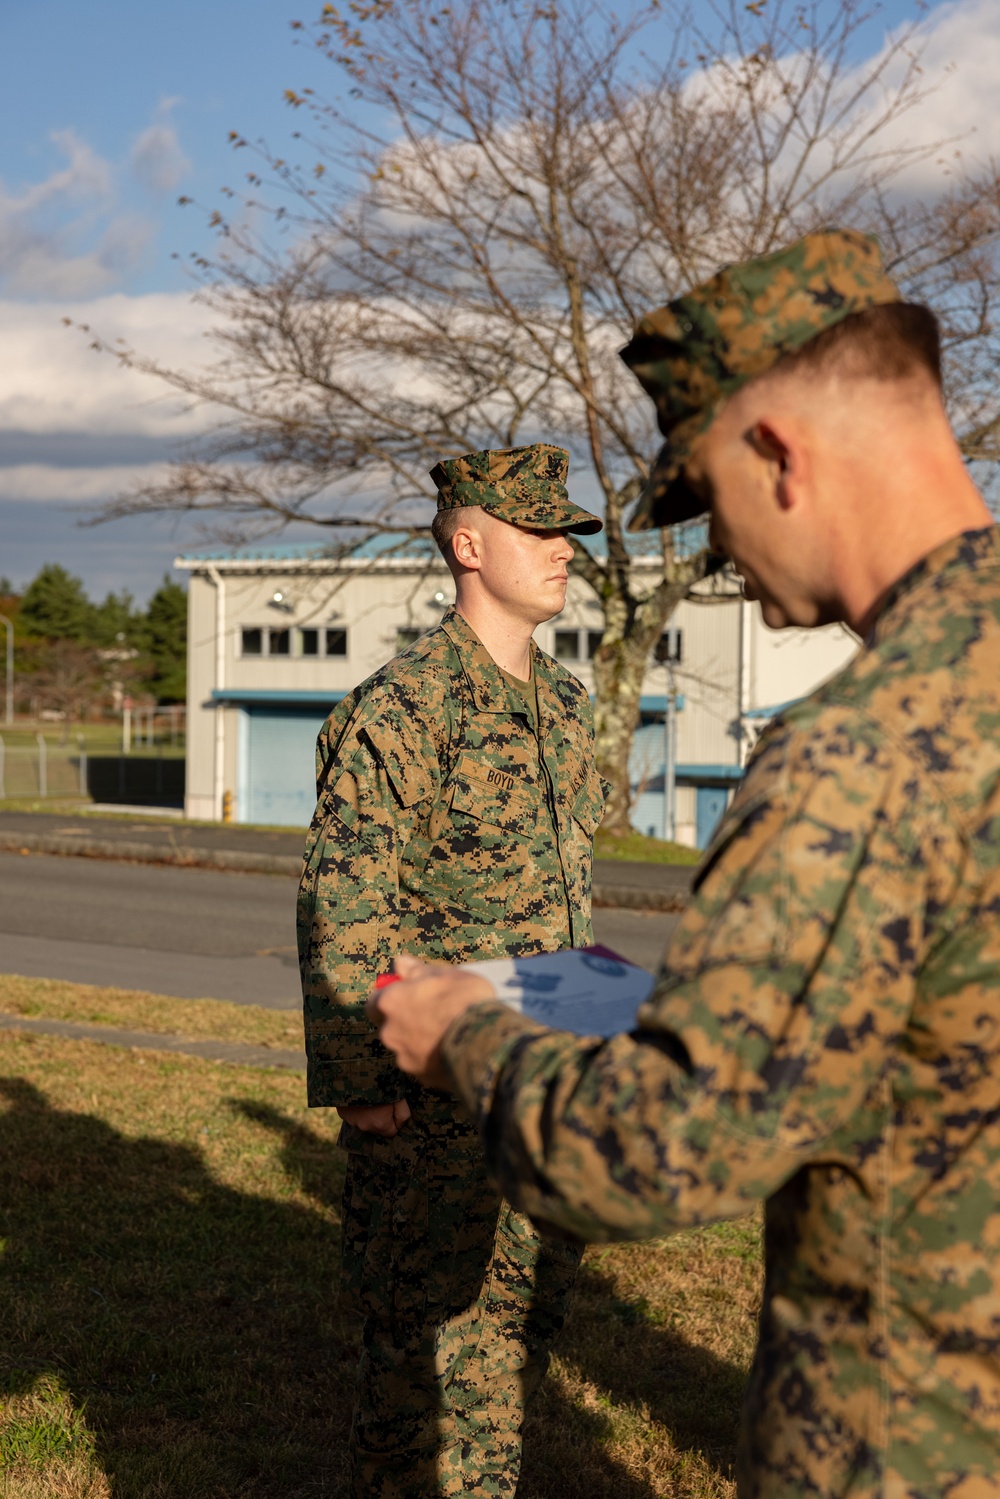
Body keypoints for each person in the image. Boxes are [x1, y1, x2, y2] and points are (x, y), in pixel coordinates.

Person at [367, 229, 1000, 1497]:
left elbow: (653, 1152)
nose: (714, 550)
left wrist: (456, 1033)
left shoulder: (868, 755)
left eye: (705, 498)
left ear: (776, 451)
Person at [296, 443, 606, 1498]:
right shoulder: (404, 707)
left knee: (522, 1332)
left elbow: (568, 894)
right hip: (432, 1095)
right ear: (470, 545)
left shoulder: (563, 705)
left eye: (567, 530)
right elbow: (346, 902)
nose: (563, 550)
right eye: (538, 530)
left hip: (540, 1074)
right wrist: (363, 1080)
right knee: (428, 1353)